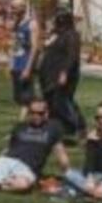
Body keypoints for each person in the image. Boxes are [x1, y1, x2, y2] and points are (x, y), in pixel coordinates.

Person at [39, 8, 85, 140]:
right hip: (49, 74)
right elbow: (45, 48)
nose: (55, 23)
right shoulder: (56, 35)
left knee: (62, 102)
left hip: (63, 75)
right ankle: (57, 129)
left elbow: (72, 56)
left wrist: (64, 72)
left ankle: (77, 127)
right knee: (52, 102)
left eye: (57, 21)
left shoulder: (71, 35)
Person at [9, 0, 40, 120]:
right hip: (16, 64)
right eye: (11, 7)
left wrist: (28, 68)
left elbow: (35, 47)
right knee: (17, 97)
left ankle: (21, 123)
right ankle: (40, 111)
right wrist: (10, 62)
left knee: (26, 98)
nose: (12, 10)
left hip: (26, 63)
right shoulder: (17, 24)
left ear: (22, 8)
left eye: (14, 8)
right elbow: (14, 45)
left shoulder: (32, 24)